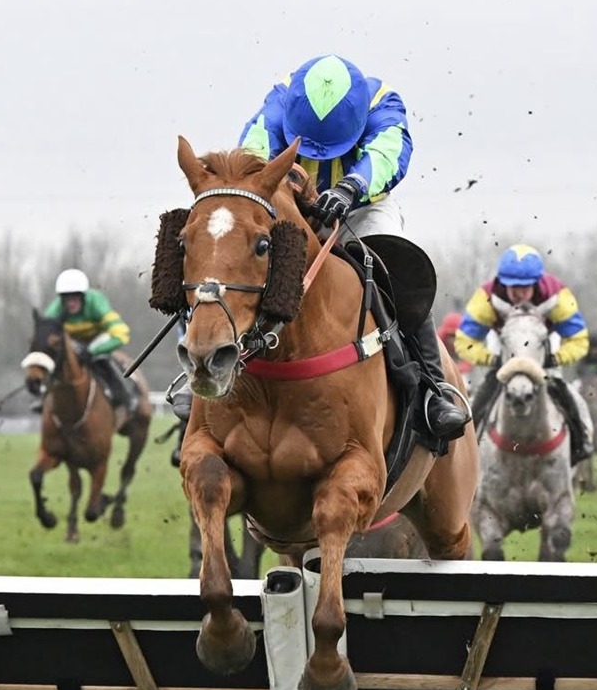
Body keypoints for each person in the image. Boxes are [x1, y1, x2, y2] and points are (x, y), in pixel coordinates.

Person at [172, 53, 469, 440]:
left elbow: (387, 153)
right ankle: (198, 366)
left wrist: (352, 186)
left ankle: (432, 386)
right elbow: (254, 155)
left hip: (362, 207)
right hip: (290, 205)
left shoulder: (383, 102)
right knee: (229, 255)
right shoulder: (280, 100)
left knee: (396, 265)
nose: (320, 154)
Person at [453, 243, 594, 464]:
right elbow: (464, 341)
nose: (520, 293)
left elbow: (579, 340)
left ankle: (581, 441)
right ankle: (464, 447)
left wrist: (554, 358)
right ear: (502, 282)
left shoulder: (558, 295)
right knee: (480, 399)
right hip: (504, 354)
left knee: (568, 395)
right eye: (513, 287)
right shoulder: (486, 297)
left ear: (537, 283)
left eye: (526, 287)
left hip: (543, 354)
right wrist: (493, 360)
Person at [41, 268, 138, 412]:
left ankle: (125, 395)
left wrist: (93, 350)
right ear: (61, 299)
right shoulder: (54, 310)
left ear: (83, 296)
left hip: (97, 339)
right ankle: (43, 396)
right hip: (71, 342)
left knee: (101, 358)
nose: (71, 303)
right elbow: (44, 340)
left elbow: (121, 334)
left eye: (75, 297)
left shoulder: (96, 302)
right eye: (67, 298)